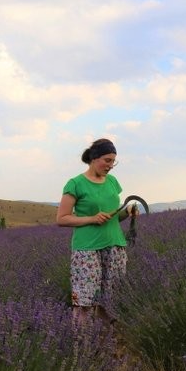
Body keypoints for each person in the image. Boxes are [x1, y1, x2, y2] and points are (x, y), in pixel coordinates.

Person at [56, 138, 139, 326]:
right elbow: (61, 219)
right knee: (84, 302)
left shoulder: (112, 182)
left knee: (110, 300)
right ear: (94, 158)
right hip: (87, 249)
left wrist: (127, 212)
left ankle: (105, 345)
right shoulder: (75, 184)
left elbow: (112, 217)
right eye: (107, 160)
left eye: (113, 161)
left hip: (115, 246)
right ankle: (82, 349)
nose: (111, 166)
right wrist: (91, 218)